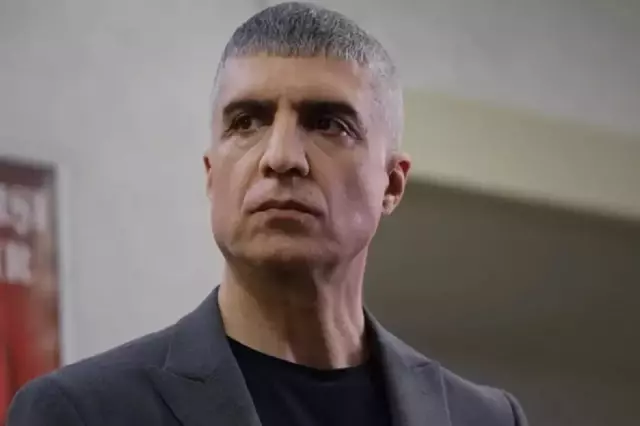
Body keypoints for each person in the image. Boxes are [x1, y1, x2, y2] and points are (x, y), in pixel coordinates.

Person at [7, 2, 527, 425]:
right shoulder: (81, 412)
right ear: (211, 174)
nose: (280, 157)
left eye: (329, 123)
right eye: (246, 122)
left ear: (391, 184)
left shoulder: (483, 419)